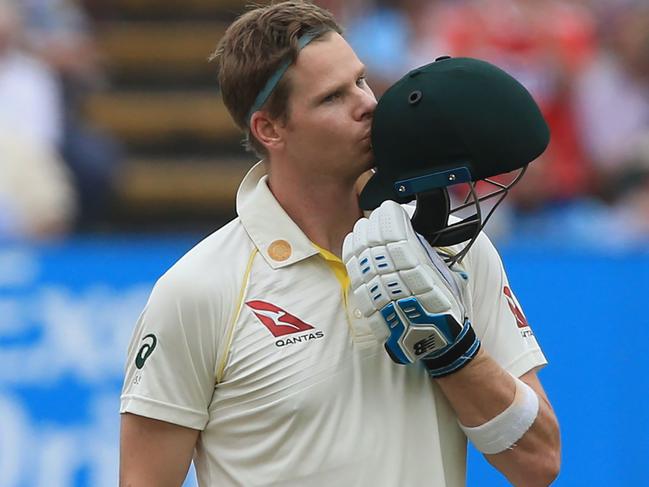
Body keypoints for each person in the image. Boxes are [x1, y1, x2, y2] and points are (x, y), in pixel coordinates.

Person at [119, 2, 561, 486]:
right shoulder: (198, 289)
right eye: (332, 97)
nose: (368, 104)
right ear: (269, 128)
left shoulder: (456, 246)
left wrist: (453, 351)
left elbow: (538, 463)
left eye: (361, 80)